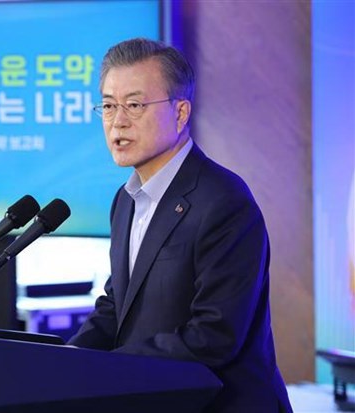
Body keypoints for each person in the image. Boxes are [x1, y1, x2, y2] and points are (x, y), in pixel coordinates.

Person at [67, 38, 292, 413]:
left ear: (181, 112)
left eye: (134, 105)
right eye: (108, 106)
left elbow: (214, 334)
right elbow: (118, 305)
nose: (118, 121)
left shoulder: (223, 200)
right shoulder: (125, 200)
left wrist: (111, 367)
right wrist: (68, 359)